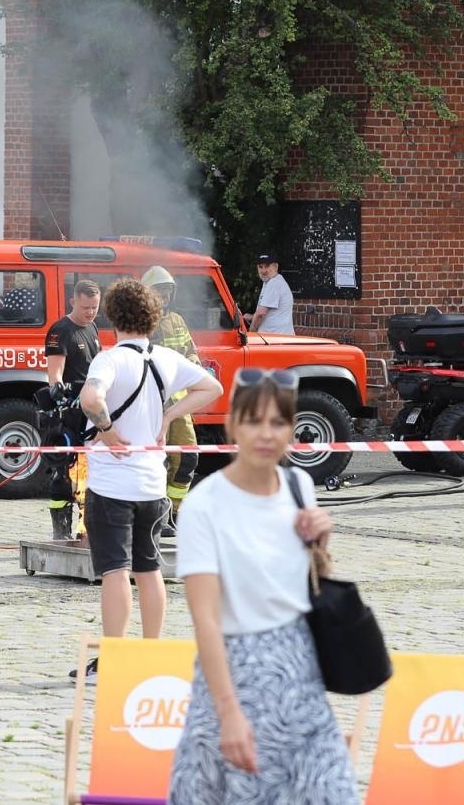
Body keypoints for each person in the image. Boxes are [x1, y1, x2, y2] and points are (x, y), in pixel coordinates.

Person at [167, 369, 356, 805]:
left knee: (329, 791)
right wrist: (228, 711)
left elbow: (311, 581)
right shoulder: (205, 505)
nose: (266, 434)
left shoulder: (298, 486)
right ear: (233, 425)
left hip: (298, 670)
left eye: (278, 422)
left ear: (291, 429)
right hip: (235, 668)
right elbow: (206, 621)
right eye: (254, 421)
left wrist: (320, 540)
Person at [75, 279, 221, 681]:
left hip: (111, 485)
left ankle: (114, 656)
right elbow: (212, 386)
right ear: (153, 317)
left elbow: (90, 399)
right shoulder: (166, 359)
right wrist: (169, 415)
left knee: (115, 571)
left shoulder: (108, 360)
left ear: (112, 316)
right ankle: (151, 653)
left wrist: (106, 429)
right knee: (149, 567)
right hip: (153, 485)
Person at [142, 266, 202, 535]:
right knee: (158, 460)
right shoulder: (142, 323)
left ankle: (174, 512)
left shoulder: (177, 320)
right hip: (153, 403)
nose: (165, 297)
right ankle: (158, 517)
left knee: (187, 457)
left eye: (168, 291)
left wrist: (196, 369)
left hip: (179, 403)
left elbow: (190, 351)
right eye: (160, 291)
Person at [43, 280, 101, 540]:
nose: (90, 312)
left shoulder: (92, 328)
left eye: (95, 307)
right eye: (86, 307)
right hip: (70, 412)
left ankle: (85, 529)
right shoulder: (61, 330)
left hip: (91, 409)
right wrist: (60, 395)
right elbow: (55, 375)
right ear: (73, 301)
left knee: (88, 472)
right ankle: (61, 531)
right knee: (65, 473)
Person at [247, 254, 294, 335]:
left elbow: (261, 314)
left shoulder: (274, 283)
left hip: (276, 339)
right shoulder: (270, 282)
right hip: (277, 337)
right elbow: (271, 315)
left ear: (276, 267)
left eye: (267, 266)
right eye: (260, 267)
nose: (263, 271)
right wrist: (252, 317)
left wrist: (251, 333)